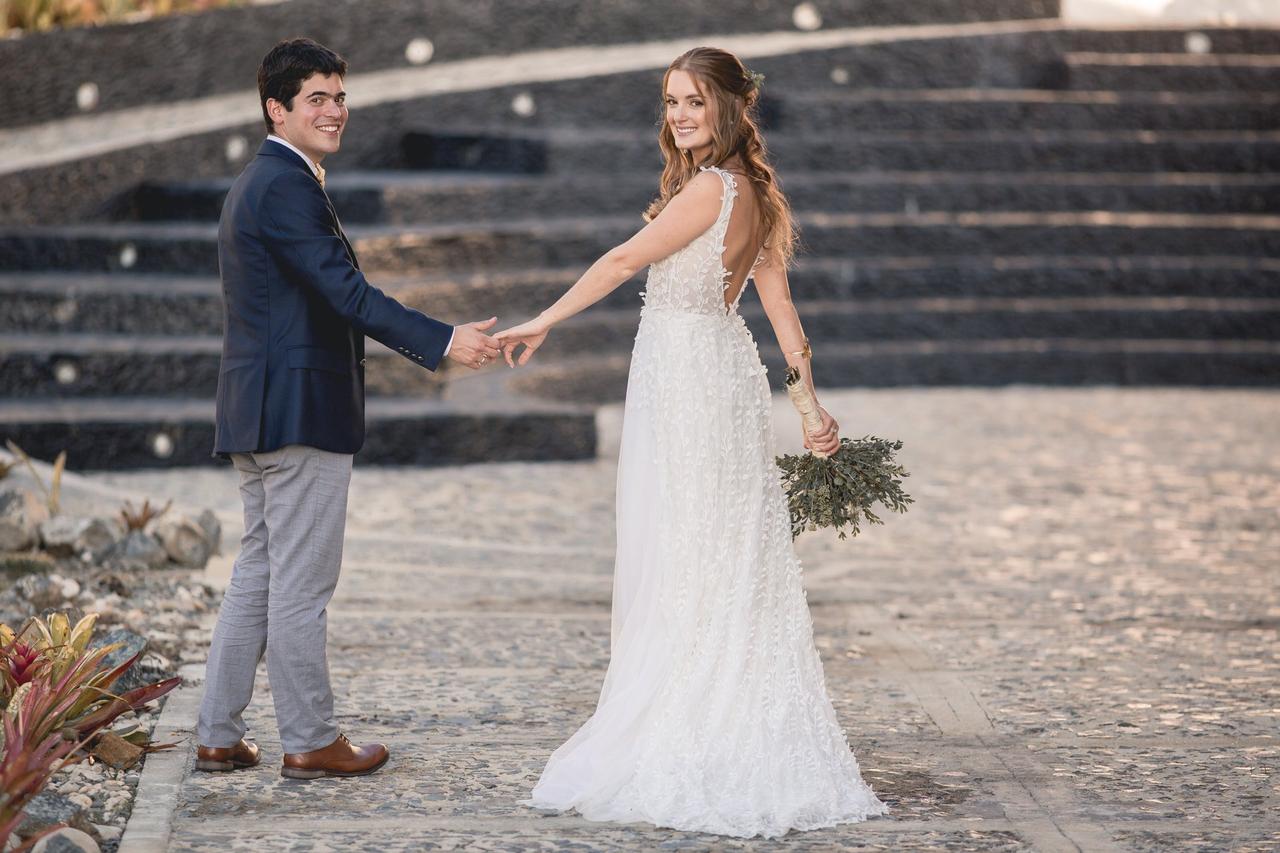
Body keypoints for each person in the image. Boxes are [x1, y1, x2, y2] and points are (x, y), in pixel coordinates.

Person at [497, 47, 888, 837]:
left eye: (694, 103)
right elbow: (783, 316)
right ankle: (733, 712)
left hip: (685, 377)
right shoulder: (758, 196)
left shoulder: (712, 190)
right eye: (671, 102)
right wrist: (810, 407)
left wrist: (542, 320)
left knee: (683, 548)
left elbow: (620, 260)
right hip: (725, 372)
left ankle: (687, 728)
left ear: (730, 109)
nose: (678, 116)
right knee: (720, 550)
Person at [195, 37, 501, 780]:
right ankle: (309, 737)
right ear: (278, 109)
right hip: (299, 413)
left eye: (339, 96)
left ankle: (216, 732)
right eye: (317, 100)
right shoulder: (286, 185)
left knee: (261, 571)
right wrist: (444, 339)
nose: (334, 111)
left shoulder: (261, 183)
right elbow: (349, 295)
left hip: (259, 412)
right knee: (299, 583)